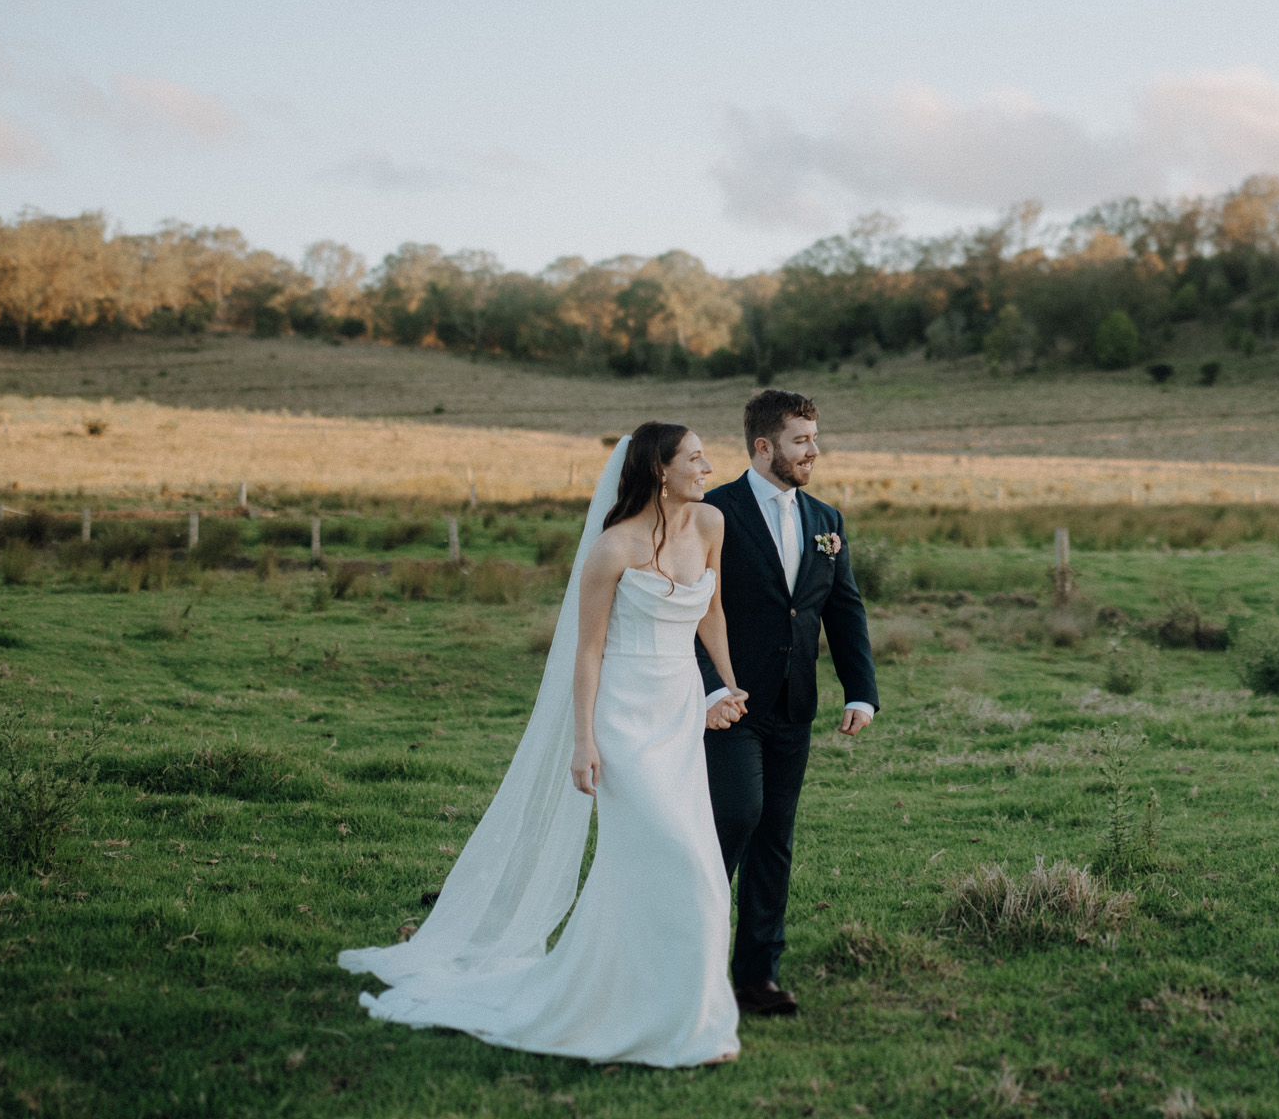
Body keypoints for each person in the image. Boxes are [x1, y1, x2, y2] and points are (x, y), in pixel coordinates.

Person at [340, 423, 748, 1067]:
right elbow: (586, 651)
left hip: (677, 714)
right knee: (675, 861)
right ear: (659, 471)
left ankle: (681, 1015)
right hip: (623, 717)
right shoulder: (612, 549)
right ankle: (622, 1009)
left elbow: (714, 611)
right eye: (695, 458)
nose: (708, 466)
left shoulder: (711, 526)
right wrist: (583, 740)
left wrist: (725, 684)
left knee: (688, 864)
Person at [696, 388, 878, 1016]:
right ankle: (691, 957)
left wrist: (861, 691)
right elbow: (685, 612)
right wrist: (711, 687)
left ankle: (756, 978)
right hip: (728, 701)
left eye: (815, 438)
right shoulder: (711, 511)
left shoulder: (826, 521)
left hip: (795, 702)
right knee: (736, 815)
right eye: (802, 440)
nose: (815, 450)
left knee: (775, 837)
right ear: (764, 446)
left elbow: (842, 609)